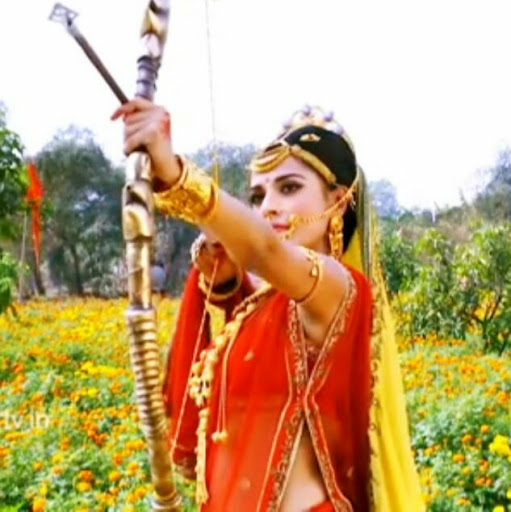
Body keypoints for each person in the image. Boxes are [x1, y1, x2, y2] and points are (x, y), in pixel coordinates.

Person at [112, 102, 424, 512]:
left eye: (289, 188)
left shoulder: (340, 288)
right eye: (258, 195)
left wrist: (173, 172)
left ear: (339, 200)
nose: (268, 206)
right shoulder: (262, 305)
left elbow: (263, 248)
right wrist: (224, 279)